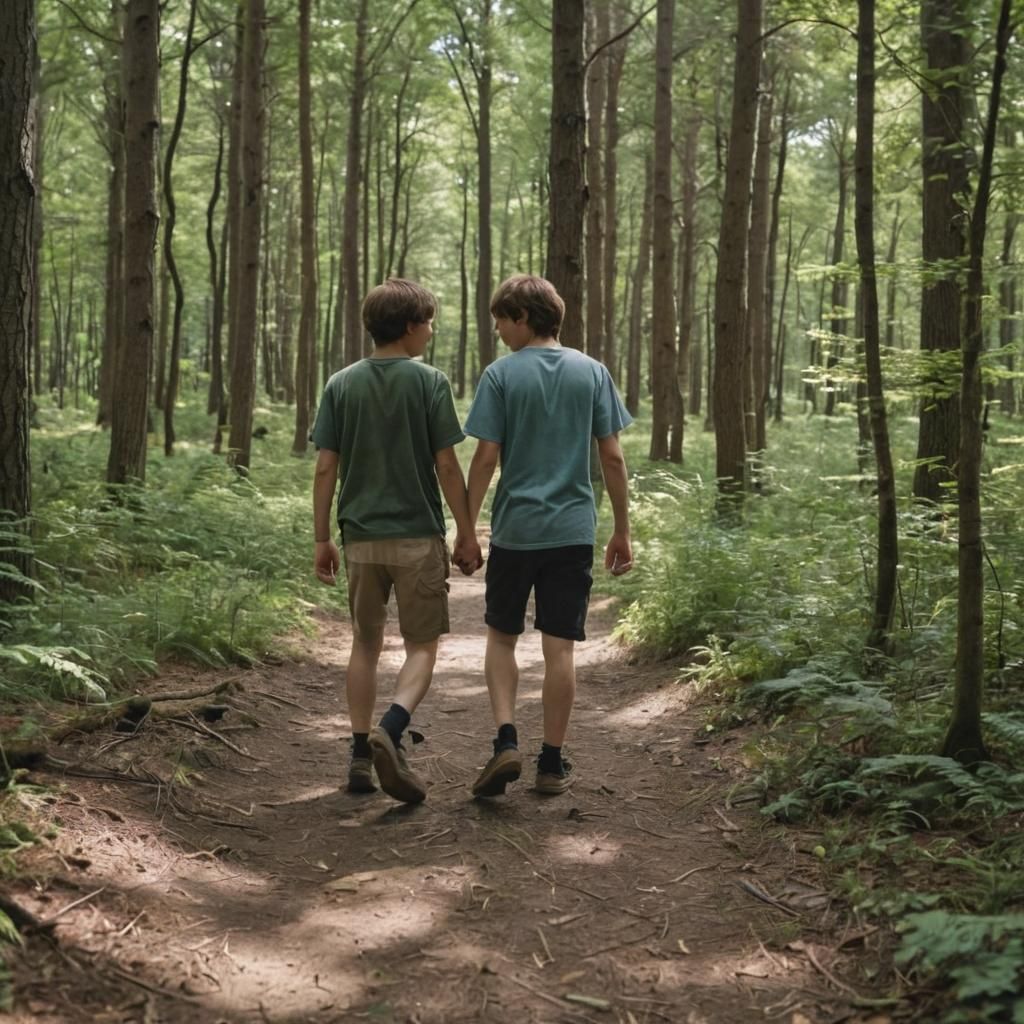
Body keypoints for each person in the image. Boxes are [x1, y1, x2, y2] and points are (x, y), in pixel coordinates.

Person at [311, 278, 482, 804]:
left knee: (364, 644)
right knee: (422, 646)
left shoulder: (340, 384)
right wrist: (467, 530)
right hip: (417, 538)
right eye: (428, 322)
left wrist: (322, 538)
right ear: (410, 326)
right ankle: (394, 723)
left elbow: (325, 468)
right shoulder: (430, 382)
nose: (430, 331)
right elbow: (448, 465)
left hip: (361, 539)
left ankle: (360, 752)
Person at [464, 274, 633, 798]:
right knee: (560, 650)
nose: (497, 331)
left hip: (516, 531)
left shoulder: (500, 376)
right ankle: (552, 764)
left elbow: (486, 457)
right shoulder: (593, 372)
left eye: (500, 321)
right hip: (573, 532)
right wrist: (622, 530)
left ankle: (506, 740)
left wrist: (466, 529)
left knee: (501, 638)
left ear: (522, 317)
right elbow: (612, 455)